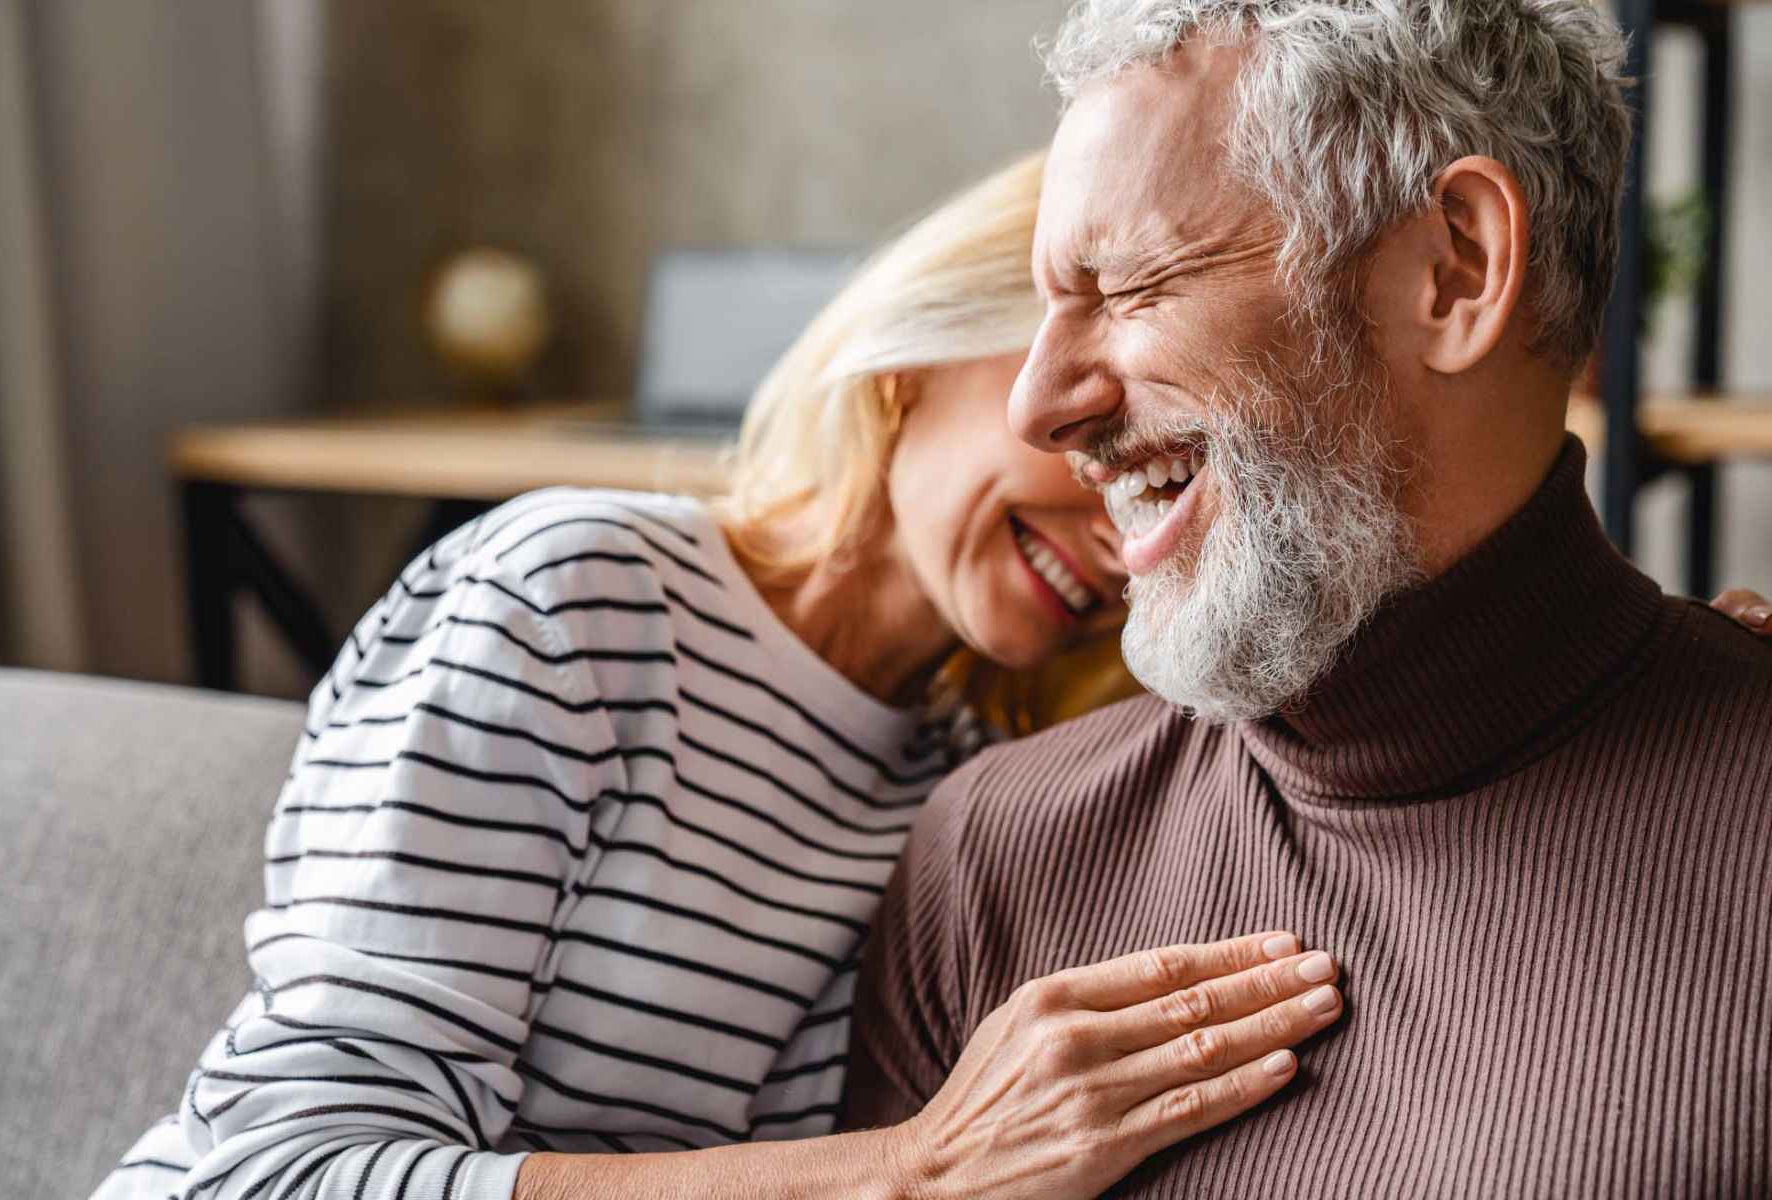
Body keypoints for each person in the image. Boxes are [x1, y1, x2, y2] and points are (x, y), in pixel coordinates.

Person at [91, 154, 1351, 1200]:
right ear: (923, 352)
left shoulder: (965, 789)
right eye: (1096, 447)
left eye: (1168, 492)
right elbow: (280, 1173)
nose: (1117, 538)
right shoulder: (573, 596)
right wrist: (909, 1175)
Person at [845, 2, 1772, 1196]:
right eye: (1045, 307)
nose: (1040, 404)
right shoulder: (994, 861)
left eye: (1129, 287)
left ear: (1456, 270)